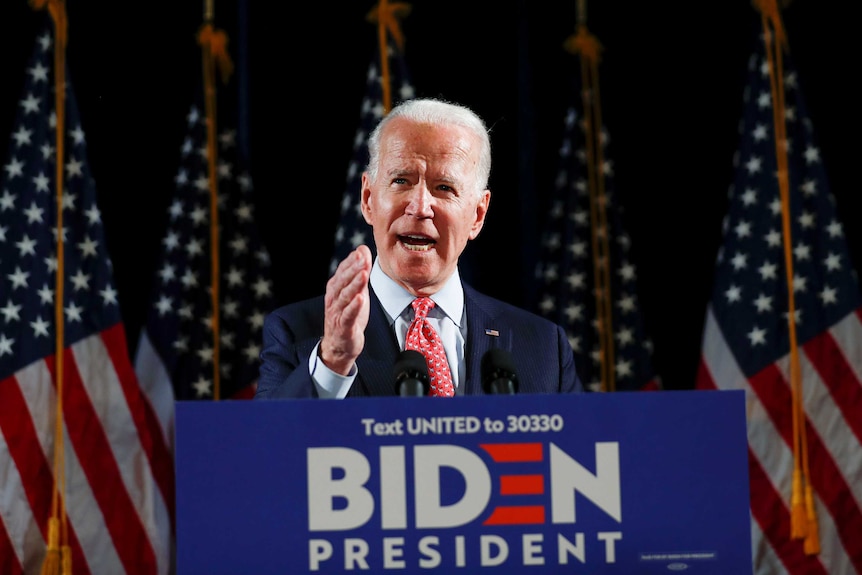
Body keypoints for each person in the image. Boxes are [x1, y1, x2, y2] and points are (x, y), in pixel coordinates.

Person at [255, 97, 584, 398]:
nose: (420, 206)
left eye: (444, 187)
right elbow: (268, 450)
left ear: (477, 215)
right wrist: (334, 360)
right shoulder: (298, 333)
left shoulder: (543, 347)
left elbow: (578, 455)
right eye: (401, 181)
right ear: (368, 199)